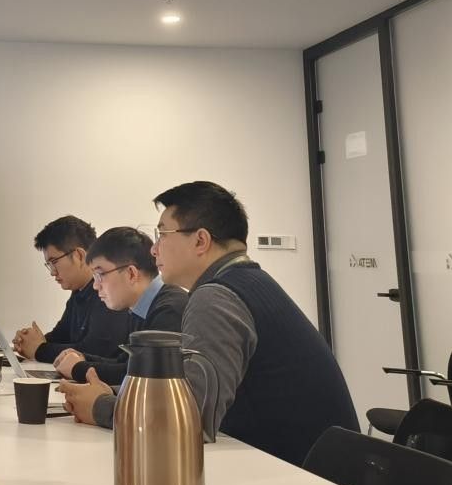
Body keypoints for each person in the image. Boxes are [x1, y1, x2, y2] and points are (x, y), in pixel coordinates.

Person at [59, 181, 359, 466]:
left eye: (162, 234)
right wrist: (114, 394)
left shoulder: (217, 297)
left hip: (302, 482)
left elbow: (188, 421)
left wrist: (101, 407)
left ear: (201, 240)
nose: (153, 249)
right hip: (308, 468)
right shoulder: (245, 282)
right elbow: (185, 392)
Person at [52, 226, 187, 384]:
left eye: (100, 275)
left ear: (131, 274)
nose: (95, 286)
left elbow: (140, 375)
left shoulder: (168, 310)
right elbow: (124, 361)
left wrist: (77, 368)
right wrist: (82, 358)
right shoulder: (141, 307)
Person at [12, 215, 137, 364]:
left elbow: (95, 350)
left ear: (79, 255)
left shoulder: (108, 292)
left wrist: (39, 349)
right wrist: (28, 342)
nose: (52, 272)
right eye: (49, 265)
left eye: (54, 262)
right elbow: (61, 336)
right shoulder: (79, 292)